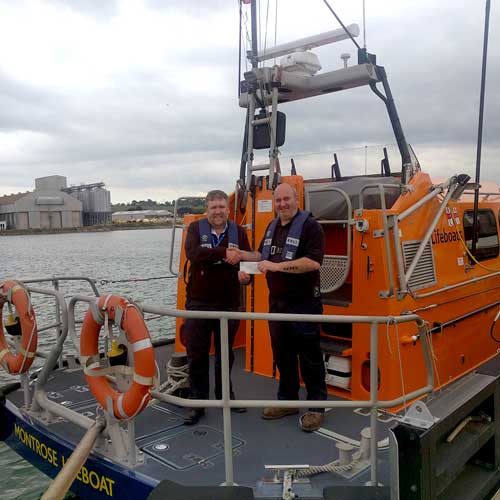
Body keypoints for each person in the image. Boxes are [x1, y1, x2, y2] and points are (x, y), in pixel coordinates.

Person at [239, 182, 327, 432]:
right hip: (277, 304)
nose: (282, 204)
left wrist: (277, 267)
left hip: (304, 303)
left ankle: (316, 407)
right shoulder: (272, 226)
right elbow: (261, 256)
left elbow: (313, 262)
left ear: (296, 199)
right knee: (283, 355)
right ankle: (287, 401)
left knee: (309, 357)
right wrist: (244, 265)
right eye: (278, 201)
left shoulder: (311, 226)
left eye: (286, 199)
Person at [183, 189, 251, 425]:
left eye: (222, 207)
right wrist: (224, 253)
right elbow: (194, 254)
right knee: (197, 355)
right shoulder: (195, 230)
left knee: (225, 353)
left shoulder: (238, 232)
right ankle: (197, 403)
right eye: (214, 208)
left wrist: (246, 277)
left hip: (228, 304)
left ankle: (225, 397)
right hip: (198, 303)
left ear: (227, 209)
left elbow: (246, 263)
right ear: (207, 209)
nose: (218, 211)